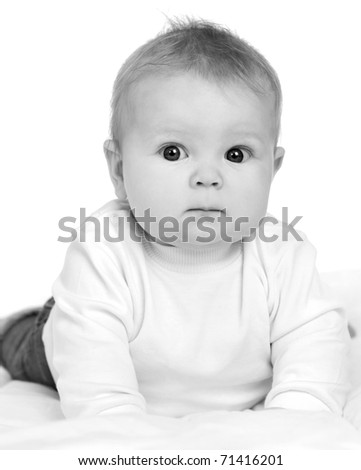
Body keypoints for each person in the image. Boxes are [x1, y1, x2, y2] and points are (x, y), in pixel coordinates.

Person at [0, 18, 350, 419]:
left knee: (325, 329)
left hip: (225, 377)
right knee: (34, 344)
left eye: (236, 153)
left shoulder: (283, 252)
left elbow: (312, 345)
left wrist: (298, 412)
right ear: (119, 170)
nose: (207, 176)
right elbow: (97, 392)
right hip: (76, 341)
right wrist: (119, 422)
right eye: (172, 151)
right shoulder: (105, 249)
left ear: (273, 168)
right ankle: (14, 327)